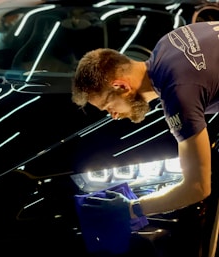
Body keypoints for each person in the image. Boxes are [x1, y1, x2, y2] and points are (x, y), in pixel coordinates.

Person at [71, 21, 219, 219]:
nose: (113, 115)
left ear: (121, 86)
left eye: (109, 106)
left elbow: (198, 187)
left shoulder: (178, 95)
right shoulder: (167, 44)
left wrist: (132, 209)